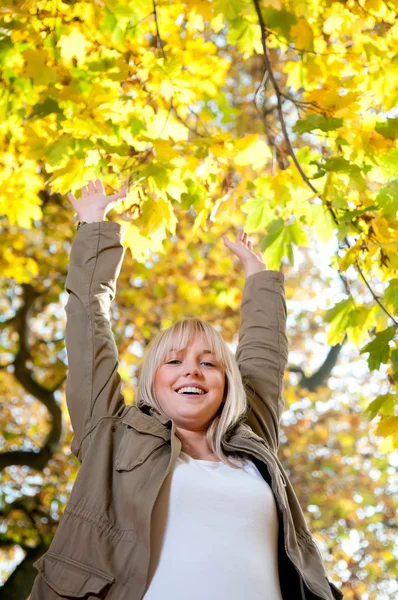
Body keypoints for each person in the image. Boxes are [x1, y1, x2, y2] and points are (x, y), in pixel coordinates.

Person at [29, 179, 343, 599]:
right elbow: (89, 325)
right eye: (173, 361)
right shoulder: (111, 433)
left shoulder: (252, 442)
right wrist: (93, 225)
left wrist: (259, 274)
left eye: (208, 363)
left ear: (227, 384)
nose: (191, 372)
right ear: (152, 381)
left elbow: (265, 357)